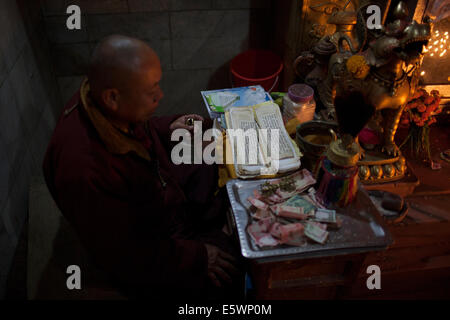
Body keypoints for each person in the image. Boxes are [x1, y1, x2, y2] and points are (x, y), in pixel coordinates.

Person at [43, 35, 242, 299]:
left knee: (211, 152)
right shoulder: (85, 171)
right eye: (151, 92)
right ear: (112, 97)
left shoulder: (99, 97)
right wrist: (199, 256)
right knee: (232, 269)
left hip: (158, 184)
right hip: (148, 246)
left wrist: (168, 125)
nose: (161, 95)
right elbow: (129, 253)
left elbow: (138, 125)